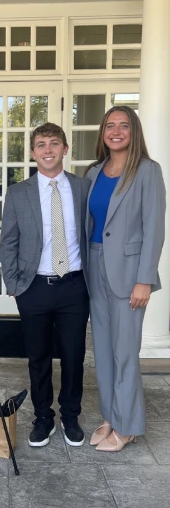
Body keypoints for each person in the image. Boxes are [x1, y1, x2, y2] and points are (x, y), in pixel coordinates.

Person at [0, 123, 91, 448]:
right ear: (33, 152)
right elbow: (8, 240)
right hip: (34, 287)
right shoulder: (18, 192)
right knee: (37, 357)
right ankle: (43, 418)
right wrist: (13, 282)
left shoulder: (83, 188)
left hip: (74, 286)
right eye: (41, 144)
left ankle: (70, 415)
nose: (48, 150)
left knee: (73, 355)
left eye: (54, 143)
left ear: (65, 149)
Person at [85, 106, 165, 452]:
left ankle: (129, 425)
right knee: (102, 350)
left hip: (130, 273)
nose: (116, 131)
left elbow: (154, 228)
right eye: (110, 125)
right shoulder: (93, 172)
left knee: (126, 353)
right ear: (102, 132)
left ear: (134, 132)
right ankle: (111, 415)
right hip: (94, 266)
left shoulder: (147, 171)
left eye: (124, 126)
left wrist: (145, 279)